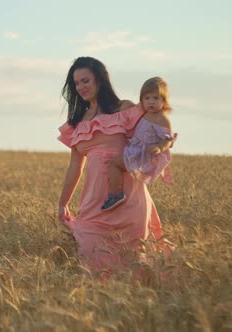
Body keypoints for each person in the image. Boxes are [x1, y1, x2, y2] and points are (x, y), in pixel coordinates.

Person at [57, 57, 168, 274]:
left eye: (85, 80)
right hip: (94, 202)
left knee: (134, 264)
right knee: (90, 258)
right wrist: (63, 202)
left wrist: (162, 145)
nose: (80, 87)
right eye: (76, 83)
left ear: (100, 79)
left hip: (129, 200)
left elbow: (155, 125)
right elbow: (74, 167)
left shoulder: (124, 109)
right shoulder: (77, 123)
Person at [102, 77, 176, 211]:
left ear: (164, 101)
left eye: (155, 98)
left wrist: (159, 147)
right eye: (147, 98)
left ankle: (115, 195)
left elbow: (167, 139)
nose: (151, 102)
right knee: (113, 163)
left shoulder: (162, 119)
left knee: (114, 163)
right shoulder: (143, 112)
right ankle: (115, 194)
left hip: (143, 155)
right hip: (134, 150)